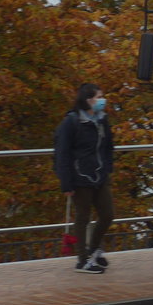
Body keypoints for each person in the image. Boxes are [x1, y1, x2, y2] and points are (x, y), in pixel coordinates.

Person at [53, 83, 116, 274]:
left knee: (107, 214)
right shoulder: (71, 123)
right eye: (99, 97)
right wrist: (66, 182)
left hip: (99, 176)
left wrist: (107, 167)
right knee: (83, 217)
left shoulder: (102, 120)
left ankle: (94, 248)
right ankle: (83, 260)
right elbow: (62, 153)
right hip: (79, 178)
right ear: (88, 100)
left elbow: (108, 145)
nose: (102, 100)